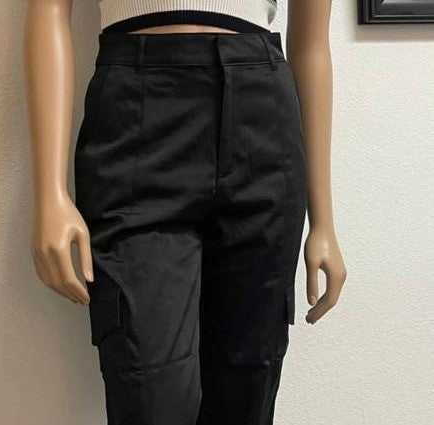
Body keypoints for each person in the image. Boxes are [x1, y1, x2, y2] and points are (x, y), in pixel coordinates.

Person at [23, 1, 347, 424]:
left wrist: (323, 220)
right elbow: (47, 11)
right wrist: (49, 194)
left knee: (246, 390)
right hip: (135, 118)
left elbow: (311, 46)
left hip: (262, 119)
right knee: (149, 397)